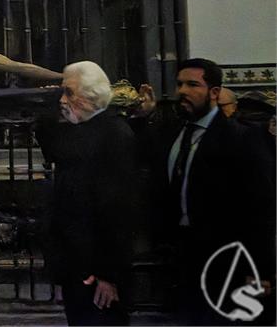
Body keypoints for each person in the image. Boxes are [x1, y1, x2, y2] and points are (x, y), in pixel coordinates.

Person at [137, 58, 275, 325]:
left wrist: (259, 270)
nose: (183, 92)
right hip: (183, 256)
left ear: (214, 92)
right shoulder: (176, 133)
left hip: (226, 258)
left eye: (192, 85)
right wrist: (144, 118)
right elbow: (148, 160)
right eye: (179, 84)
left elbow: (260, 209)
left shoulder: (241, 138)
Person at [37, 61, 135, 326]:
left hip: (98, 268)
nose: (62, 100)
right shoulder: (82, 130)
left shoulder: (114, 134)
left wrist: (109, 274)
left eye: (68, 92)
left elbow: (117, 210)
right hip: (78, 263)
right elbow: (51, 142)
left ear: (90, 96)